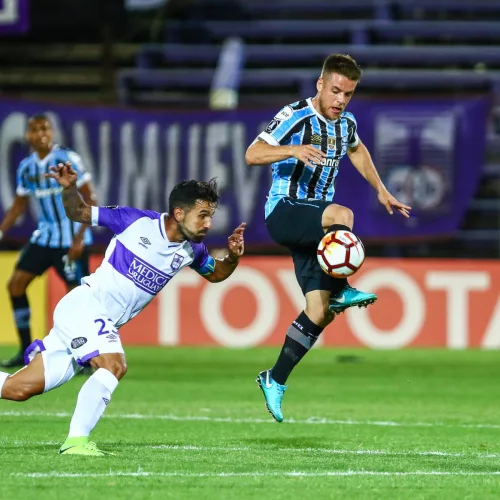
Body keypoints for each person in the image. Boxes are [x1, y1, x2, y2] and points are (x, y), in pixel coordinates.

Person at [0, 162, 246, 456]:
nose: (208, 224)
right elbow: (79, 212)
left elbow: (215, 274)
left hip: (92, 320)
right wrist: (69, 188)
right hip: (85, 306)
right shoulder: (135, 221)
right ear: (179, 213)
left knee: (19, 389)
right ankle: (76, 442)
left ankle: (75, 440)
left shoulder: (190, 250)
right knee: (114, 365)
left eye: (211, 216)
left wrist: (231, 257)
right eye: (203, 215)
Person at [245, 53, 411, 423]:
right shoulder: (296, 117)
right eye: (335, 91)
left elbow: (357, 149)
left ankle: (275, 378)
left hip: (314, 228)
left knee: (319, 312)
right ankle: (344, 286)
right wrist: (292, 149)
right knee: (343, 214)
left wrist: (381, 190)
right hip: (285, 210)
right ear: (320, 85)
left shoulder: (345, 123)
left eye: (347, 94)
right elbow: (252, 154)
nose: (340, 100)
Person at [0, 114, 96, 368]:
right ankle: (24, 350)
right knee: (16, 285)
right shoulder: (27, 168)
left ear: (52, 133)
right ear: (28, 136)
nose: (41, 133)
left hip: (70, 239)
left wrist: (79, 238)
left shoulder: (67, 158)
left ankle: (87, 355)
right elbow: (19, 206)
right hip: (44, 238)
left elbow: (90, 198)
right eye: (35, 129)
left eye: (45, 128)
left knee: (78, 298)